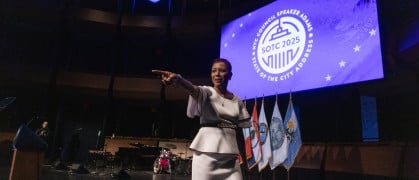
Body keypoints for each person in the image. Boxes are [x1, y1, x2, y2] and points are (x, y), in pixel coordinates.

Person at [152, 58, 251, 180]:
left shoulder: (237, 101)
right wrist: (178, 79)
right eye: (214, 71)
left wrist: (245, 163)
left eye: (222, 70)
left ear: (230, 75)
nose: (217, 74)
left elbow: (239, 134)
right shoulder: (206, 92)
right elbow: (192, 89)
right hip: (206, 156)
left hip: (230, 159)